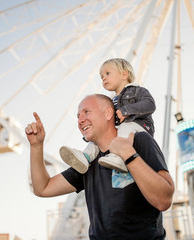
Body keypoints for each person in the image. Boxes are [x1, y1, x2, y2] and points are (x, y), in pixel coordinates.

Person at [25, 94, 174, 239]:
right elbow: (43, 188)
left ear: (109, 113)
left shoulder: (137, 140)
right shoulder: (86, 162)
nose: (80, 120)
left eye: (86, 112)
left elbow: (164, 200)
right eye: (78, 116)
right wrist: (36, 146)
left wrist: (129, 155)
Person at [59, 58, 156, 173]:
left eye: (107, 73)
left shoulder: (137, 91)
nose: (103, 78)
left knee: (126, 126)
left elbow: (150, 104)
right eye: (101, 77)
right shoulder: (112, 99)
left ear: (124, 74)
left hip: (140, 127)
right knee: (99, 136)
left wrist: (127, 110)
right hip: (122, 130)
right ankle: (86, 157)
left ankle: (119, 157)